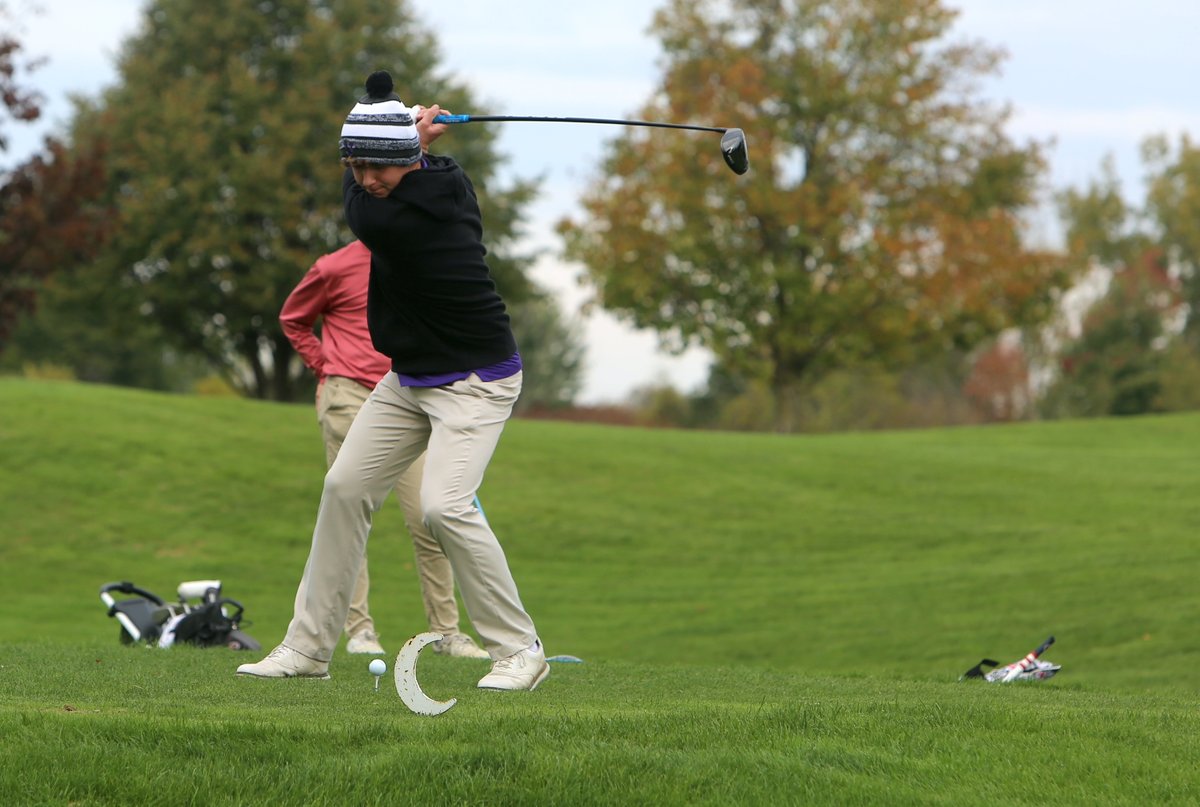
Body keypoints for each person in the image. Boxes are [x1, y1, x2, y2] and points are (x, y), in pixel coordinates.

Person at [238, 70, 548, 691]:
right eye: (356, 167)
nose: (366, 181)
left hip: (474, 377)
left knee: (443, 505)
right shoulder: (424, 173)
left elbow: (361, 206)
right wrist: (400, 137)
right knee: (345, 487)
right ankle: (309, 647)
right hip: (410, 378)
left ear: (409, 159)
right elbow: (380, 167)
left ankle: (519, 651)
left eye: (379, 168)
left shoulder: (405, 212)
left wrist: (402, 135)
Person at [279, 239, 490, 659]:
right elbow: (293, 319)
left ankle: (447, 634)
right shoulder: (333, 267)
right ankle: (359, 631)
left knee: (430, 515)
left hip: (409, 398)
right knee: (350, 513)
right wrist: (325, 367)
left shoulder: (415, 258)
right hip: (350, 395)